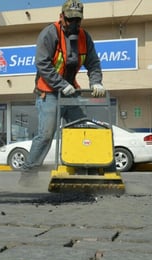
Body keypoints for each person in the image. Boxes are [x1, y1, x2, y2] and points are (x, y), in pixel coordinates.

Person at [21, 0, 106, 176]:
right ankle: (28, 174)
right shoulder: (49, 34)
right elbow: (42, 64)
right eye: (70, 20)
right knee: (46, 134)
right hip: (48, 92)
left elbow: (93, 63)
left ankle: (83, 170)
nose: (73, 24)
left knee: (82, 128)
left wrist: (96, 81)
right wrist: (61, 85)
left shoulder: (84, 37)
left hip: (71, 92)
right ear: (62, 17)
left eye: (77, 21)